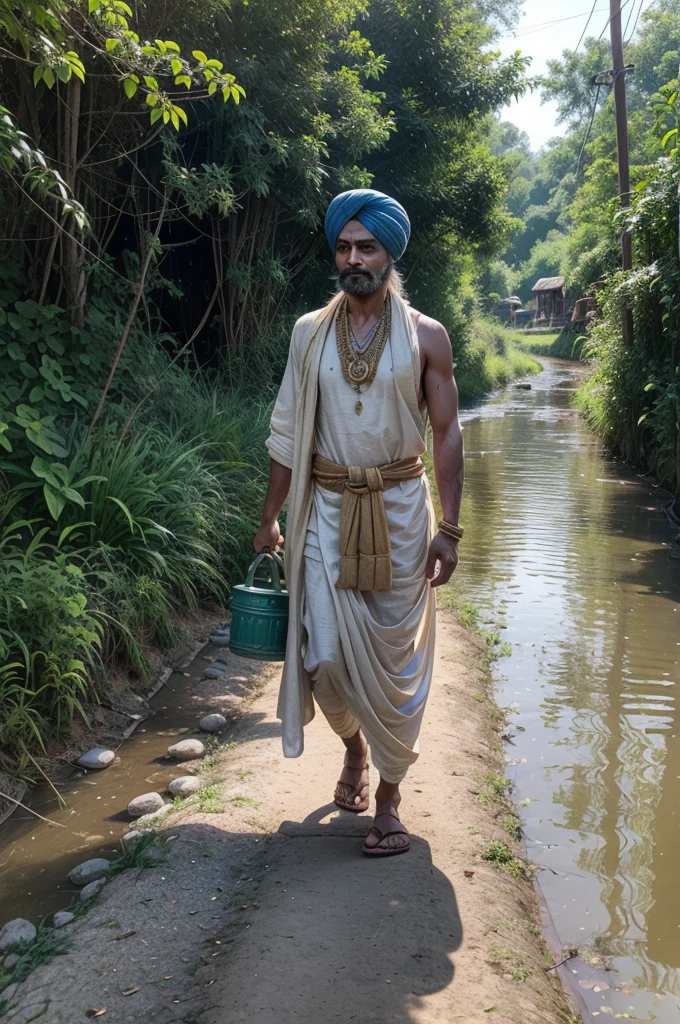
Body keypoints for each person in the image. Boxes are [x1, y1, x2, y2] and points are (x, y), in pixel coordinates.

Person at [253, 188, 464, 857]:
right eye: (343, 247)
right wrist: (268, 519)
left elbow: (448, 432)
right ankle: (352, 748)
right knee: (321, 656)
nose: (352, 258)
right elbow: (288, 434)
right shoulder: (309, 334)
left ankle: (389, 796)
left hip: (402, 511)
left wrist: (450, 528)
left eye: (366, 246)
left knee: (395, 663)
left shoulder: (426, 336)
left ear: (390, 254)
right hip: (326, 510)